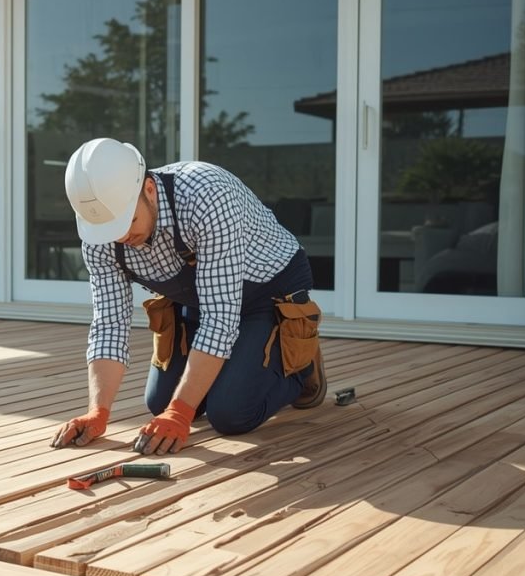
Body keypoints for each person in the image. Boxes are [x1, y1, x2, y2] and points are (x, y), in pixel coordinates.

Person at [51, 137, 326, 455]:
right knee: (159, 403)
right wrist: (98, 411)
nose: (122, 238)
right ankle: (243, 363)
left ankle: (300, 357)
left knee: (230, 413)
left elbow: (220, 317)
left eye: (127, 223)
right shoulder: (98, 234)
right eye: (110, 230)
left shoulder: (206, 193)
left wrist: (179, 413)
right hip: (200, 296)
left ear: (149, 190)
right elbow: (109, 324)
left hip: (269, 292)